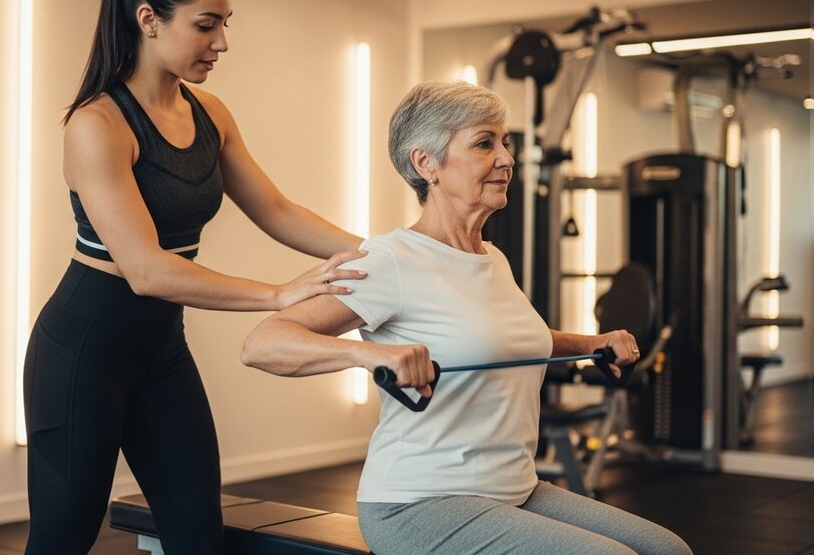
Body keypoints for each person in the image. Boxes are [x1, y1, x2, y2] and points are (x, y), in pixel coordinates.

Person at [241, 81, 693, 555]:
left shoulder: (491, 258)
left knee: (668, 550)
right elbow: (264, 342)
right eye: (484, 143)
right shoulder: (389, 260)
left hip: (514, 487)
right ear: (426, 164)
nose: (506, 158)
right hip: (420, 501)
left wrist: (589, 343)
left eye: (505, 142)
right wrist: (372, 353)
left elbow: (504, 340)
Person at [22, 0, 366, 555]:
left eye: (225, 24)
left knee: (197, 536)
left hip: (160, 354)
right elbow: (148, 271)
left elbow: (277, 209)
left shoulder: (211, 113)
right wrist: (280, 293)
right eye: (207, 25)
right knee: (62, 542)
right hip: (81, 357)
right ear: (148, 19)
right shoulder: (97, 124)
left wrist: (387, 250)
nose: (223, 42)